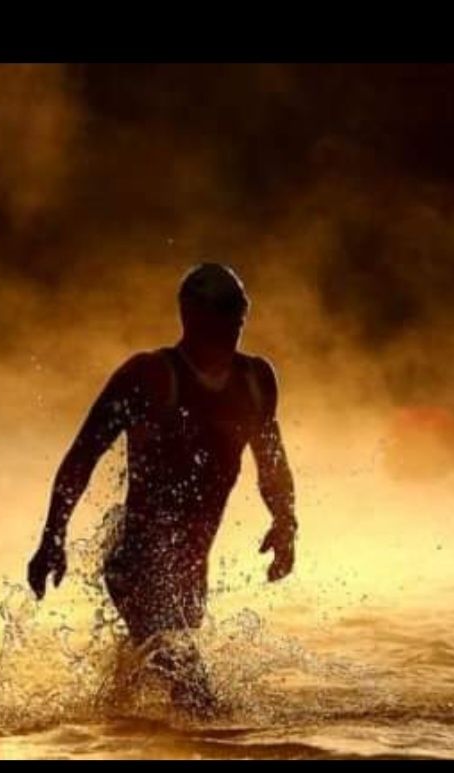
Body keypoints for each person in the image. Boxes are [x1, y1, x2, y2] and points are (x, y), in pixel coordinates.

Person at [26, 263, 297, 713]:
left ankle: (108, 728)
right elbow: (83, 455)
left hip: (191, 568)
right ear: (189, 315)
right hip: (136, 562)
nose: (232, 324)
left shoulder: (255, 381)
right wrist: (52, 538)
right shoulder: (150, 376)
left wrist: (286, 521)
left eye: (238, 311)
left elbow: (271, 460)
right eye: (222, 311)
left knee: (157, 691)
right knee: (200, 699)